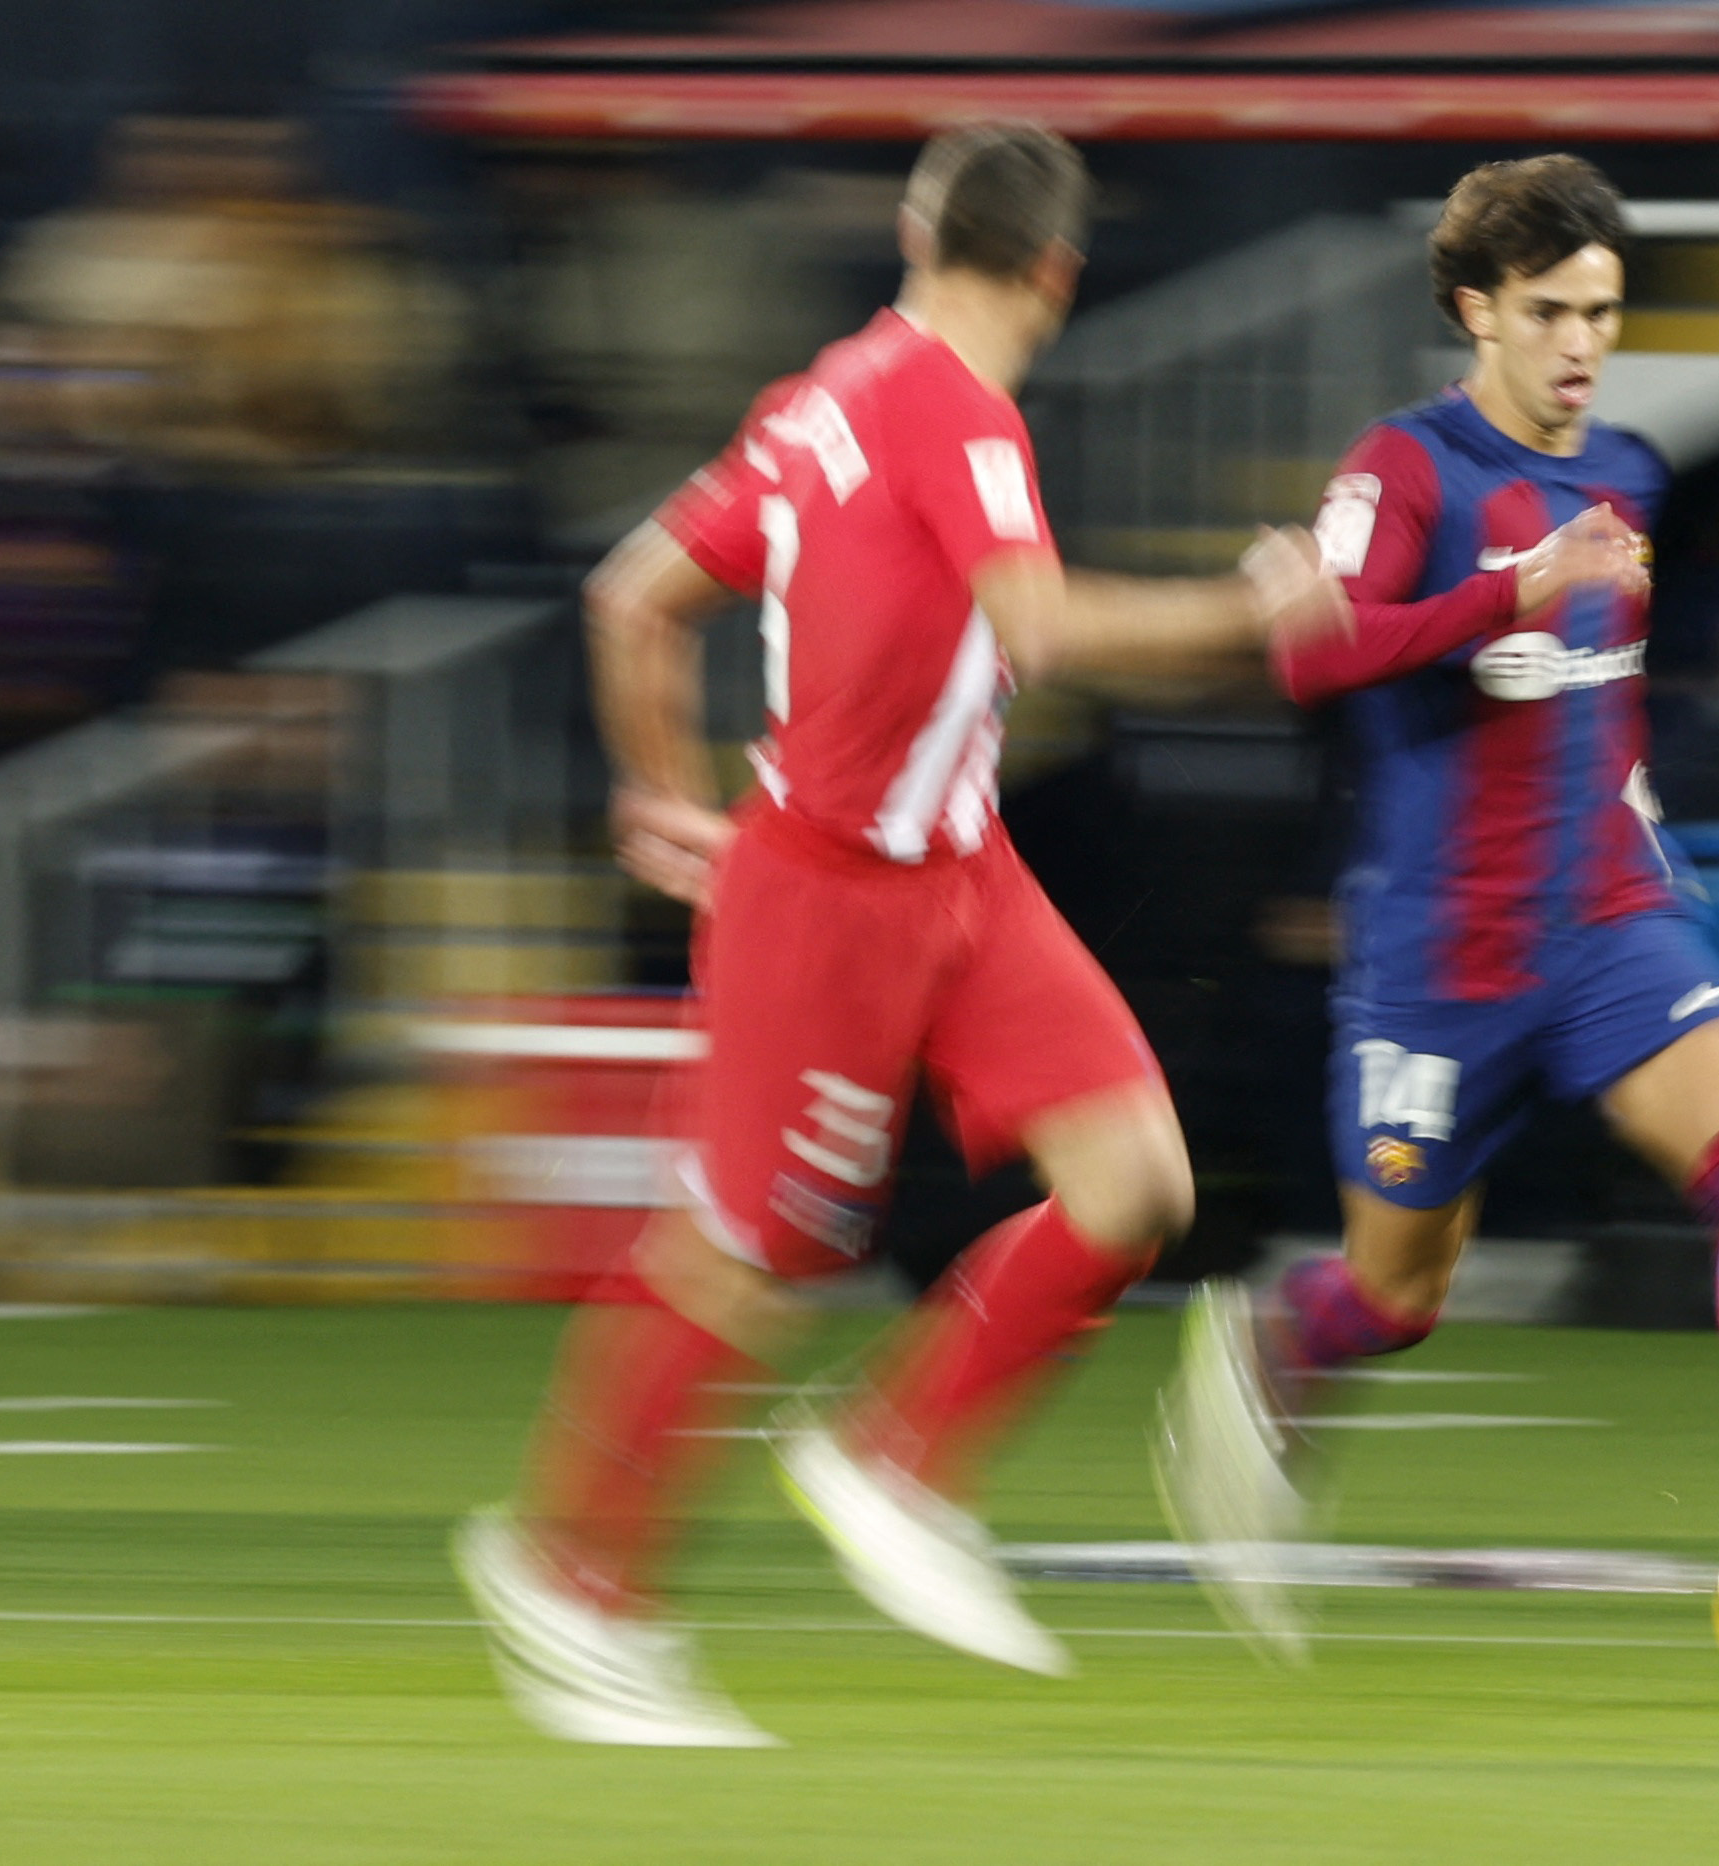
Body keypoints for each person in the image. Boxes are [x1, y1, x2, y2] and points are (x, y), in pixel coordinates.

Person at [453, 122, 1347, 1746]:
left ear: (913, 230)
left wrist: (656, 788)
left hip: (959, 870)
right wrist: (1254, 605)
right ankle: (569, 1582)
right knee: (744, 1259)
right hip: (831, 895)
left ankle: (890, 1454)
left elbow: (631, 594)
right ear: (1059, 275)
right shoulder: (953, 410)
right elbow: (1046, 628)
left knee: (1134, 1179)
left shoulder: (825, 395)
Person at [1156, 155, 1719, 1659]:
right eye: (1550, 313)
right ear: (1475, 310)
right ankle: (1275, 1356)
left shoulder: (1632, 473)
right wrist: (1506, 595)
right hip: (1439, 960)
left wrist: (1635, 815)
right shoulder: (1397, 472)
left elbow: (1605, 694)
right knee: (1395, 1296)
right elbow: (1312, 657)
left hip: (1605, 924)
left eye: (1602, 312)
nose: (1582, 345)